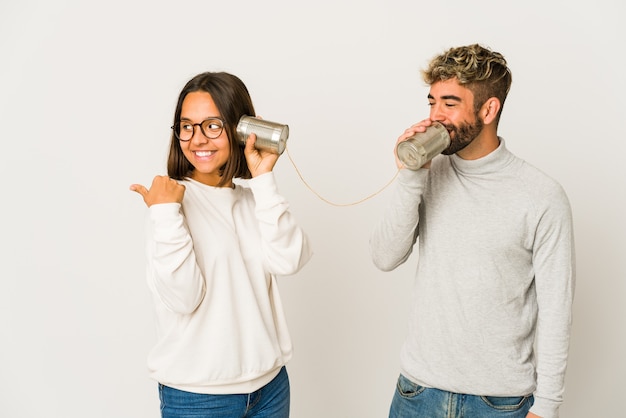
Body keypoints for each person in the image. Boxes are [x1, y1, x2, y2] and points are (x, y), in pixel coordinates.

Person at [370, 44, 575, 418]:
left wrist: (546, 406)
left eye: (449, 103)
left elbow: (556, 309)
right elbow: (385, 257)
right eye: (432, 102)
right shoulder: (427, 175)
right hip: (417, 394)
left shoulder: (542, 195)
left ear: (488, 109)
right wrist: (411, 174)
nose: (435, 116)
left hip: (499, 404)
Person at [130, 71, 312, 418]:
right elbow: (183, 298)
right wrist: (165, 213)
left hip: (270, 388)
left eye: (212, 125)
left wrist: (264, 179)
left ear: (240, 128)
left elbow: (289, 260)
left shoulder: (252, 198)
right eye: (187, 126)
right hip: (199, 398)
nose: (197, 139)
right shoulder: (170, 203)